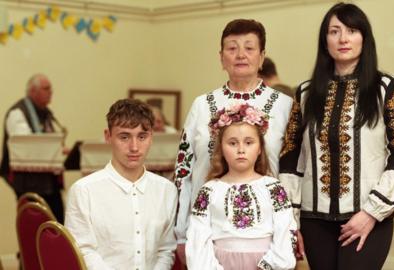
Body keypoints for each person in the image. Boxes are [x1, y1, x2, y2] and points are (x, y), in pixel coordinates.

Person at [279, 3, 394, 270]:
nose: (343, 39)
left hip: (369, 218)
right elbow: (291, 161)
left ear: (364, 37)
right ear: (324, 40)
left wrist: (372, 212)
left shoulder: (388, 89)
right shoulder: (304, 94)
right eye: (334, 31)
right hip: (313, 220)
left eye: (352, 30)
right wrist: (290, 221)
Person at [174, 19, 293, 264]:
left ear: (261, 57)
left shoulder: (285, 106)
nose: (240, 55)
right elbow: (183, 171)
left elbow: (295, 170)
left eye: (249, 48)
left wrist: (294, 228)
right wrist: (181, 233)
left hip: (268, 236)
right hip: (206, 233)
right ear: (221, 58)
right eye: (232, 48)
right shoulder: (202, 105)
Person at [65, 99, 178, 270]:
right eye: (124, 137)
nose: (134, 147)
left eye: (142, 137)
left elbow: (165, 250)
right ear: (108, 136)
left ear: (151, 137)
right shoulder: (83, 190)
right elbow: (83, 251)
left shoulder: (167, 190)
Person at [186, 103, 297, 270]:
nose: (241, 150)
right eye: (232, 143)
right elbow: (198, 237)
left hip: (265, 264)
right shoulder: (209, 190)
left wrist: (270, 266)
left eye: (249, 142)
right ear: (221, 149)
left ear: (260, 148)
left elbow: (286, 231)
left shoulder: (273, 188)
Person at [1, 73, 66, 223]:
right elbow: (27, 145)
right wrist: (55, 149)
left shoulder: (46, 113)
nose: (51, 92)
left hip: (50, 182)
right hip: (28, 184)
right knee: (34, 229)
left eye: (51, 88)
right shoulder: (18, 113)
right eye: (46, 88)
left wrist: (59, 150)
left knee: (57, 227)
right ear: (32, 91)